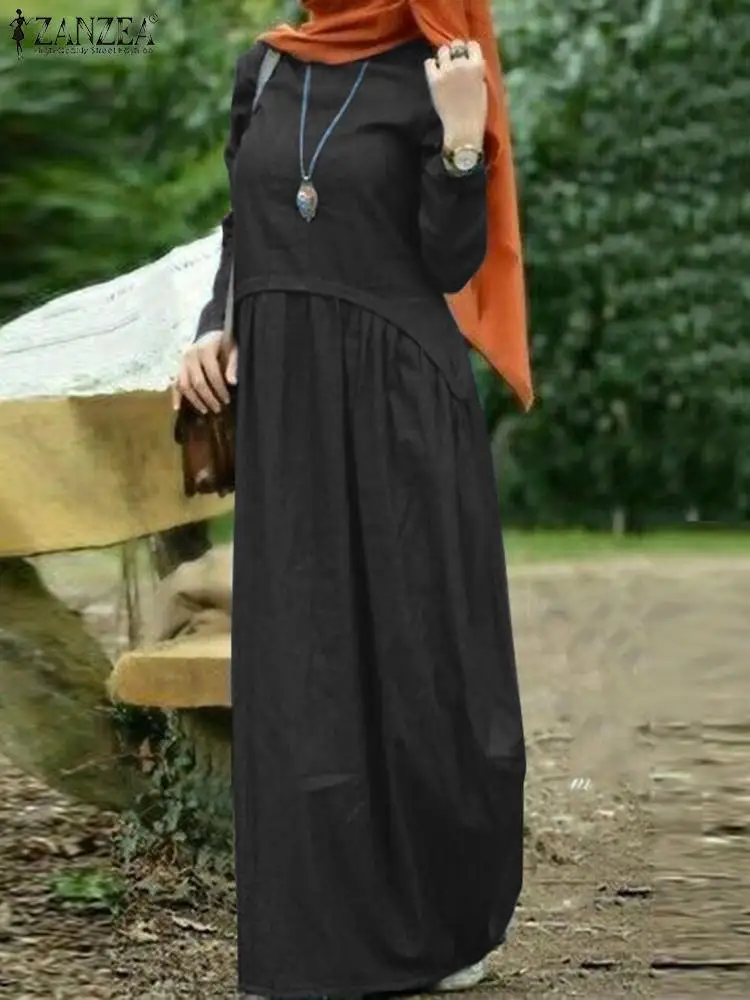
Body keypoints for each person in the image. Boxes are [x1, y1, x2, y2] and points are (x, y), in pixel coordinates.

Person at [173, 2, 531, 997]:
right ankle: (315, 942)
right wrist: (214, 324)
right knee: (304, 667)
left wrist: (463, 139)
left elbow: (452, 260)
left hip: (400, 397)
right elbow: (246, 223)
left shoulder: (440, 64)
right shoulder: (266, 68)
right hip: (288, 407)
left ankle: (448, 920)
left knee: (420, 658)